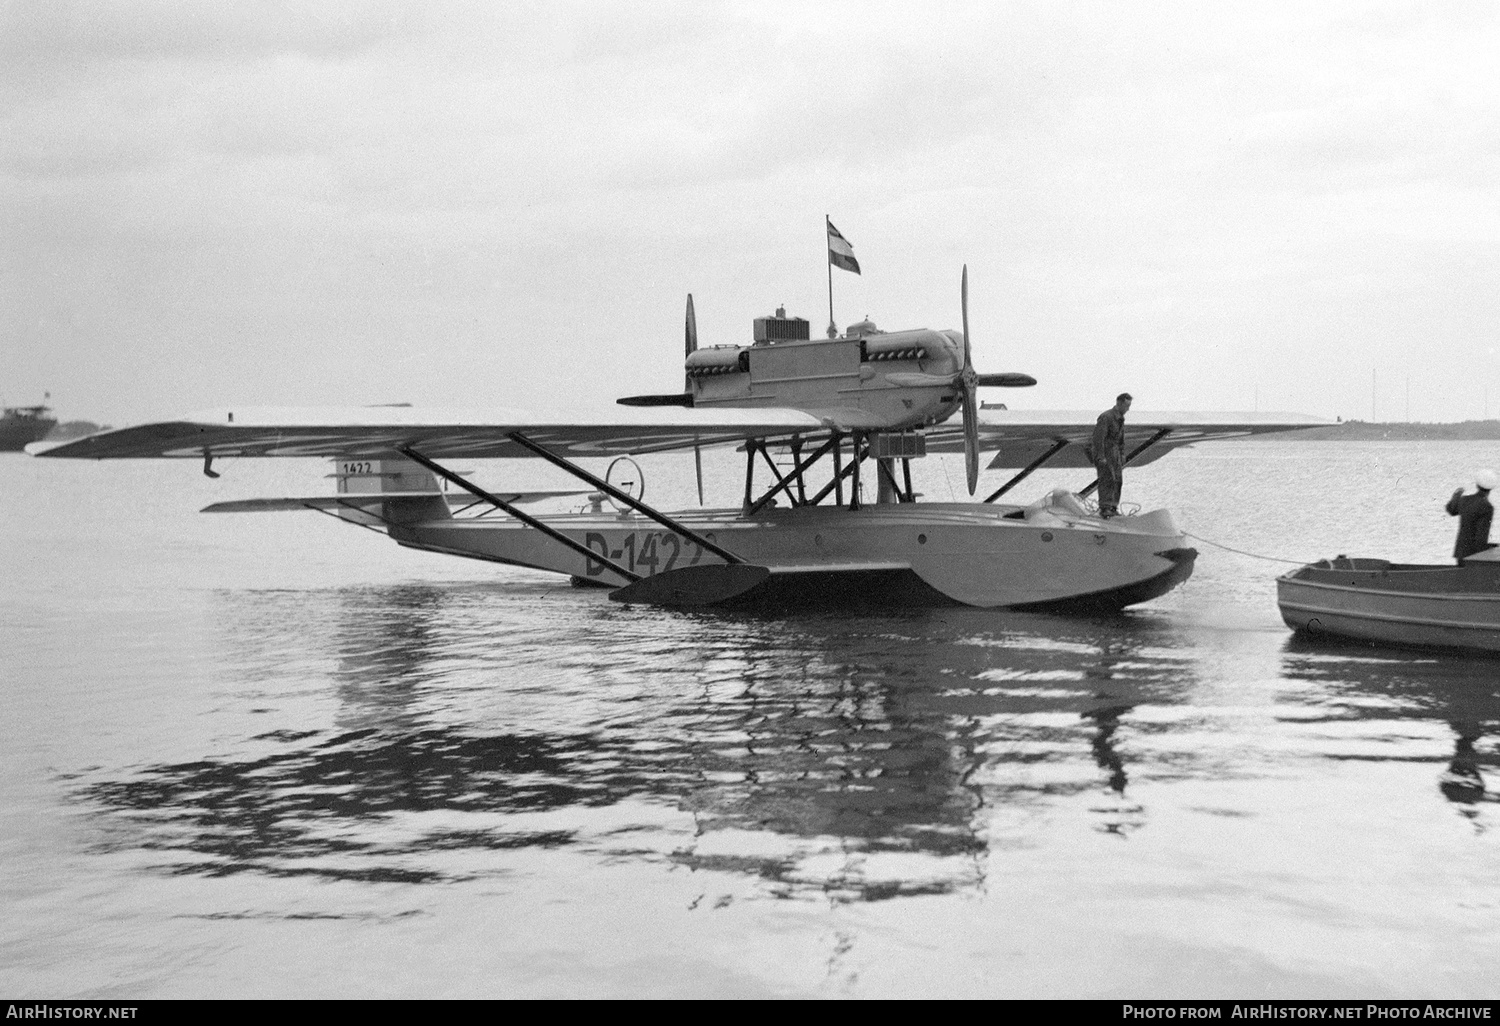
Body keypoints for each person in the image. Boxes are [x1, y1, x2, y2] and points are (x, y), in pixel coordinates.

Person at [1090, 392, 1132, 518]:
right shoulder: (1106, 417)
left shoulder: (1120, 419)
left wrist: (1122, 454)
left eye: (1129, 406)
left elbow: (1121, 439)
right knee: (1107, 479)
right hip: (1106, 452)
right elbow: (1098, 438)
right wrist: (1100, 456)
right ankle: (1105, 507)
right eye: (1126, 406)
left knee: (1117, 480)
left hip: (1115, 453)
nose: (1127, 409)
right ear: (1119, 403)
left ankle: (1113, 506)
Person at [1446, 469, 1497, 563]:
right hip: (1474, 556)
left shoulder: (1465, 500)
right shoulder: (1487, 507)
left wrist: (1456, 495)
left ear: (1477, 485)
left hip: (1461, 552)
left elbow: (1451, 510)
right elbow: (1481, 535)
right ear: (1491, 488)